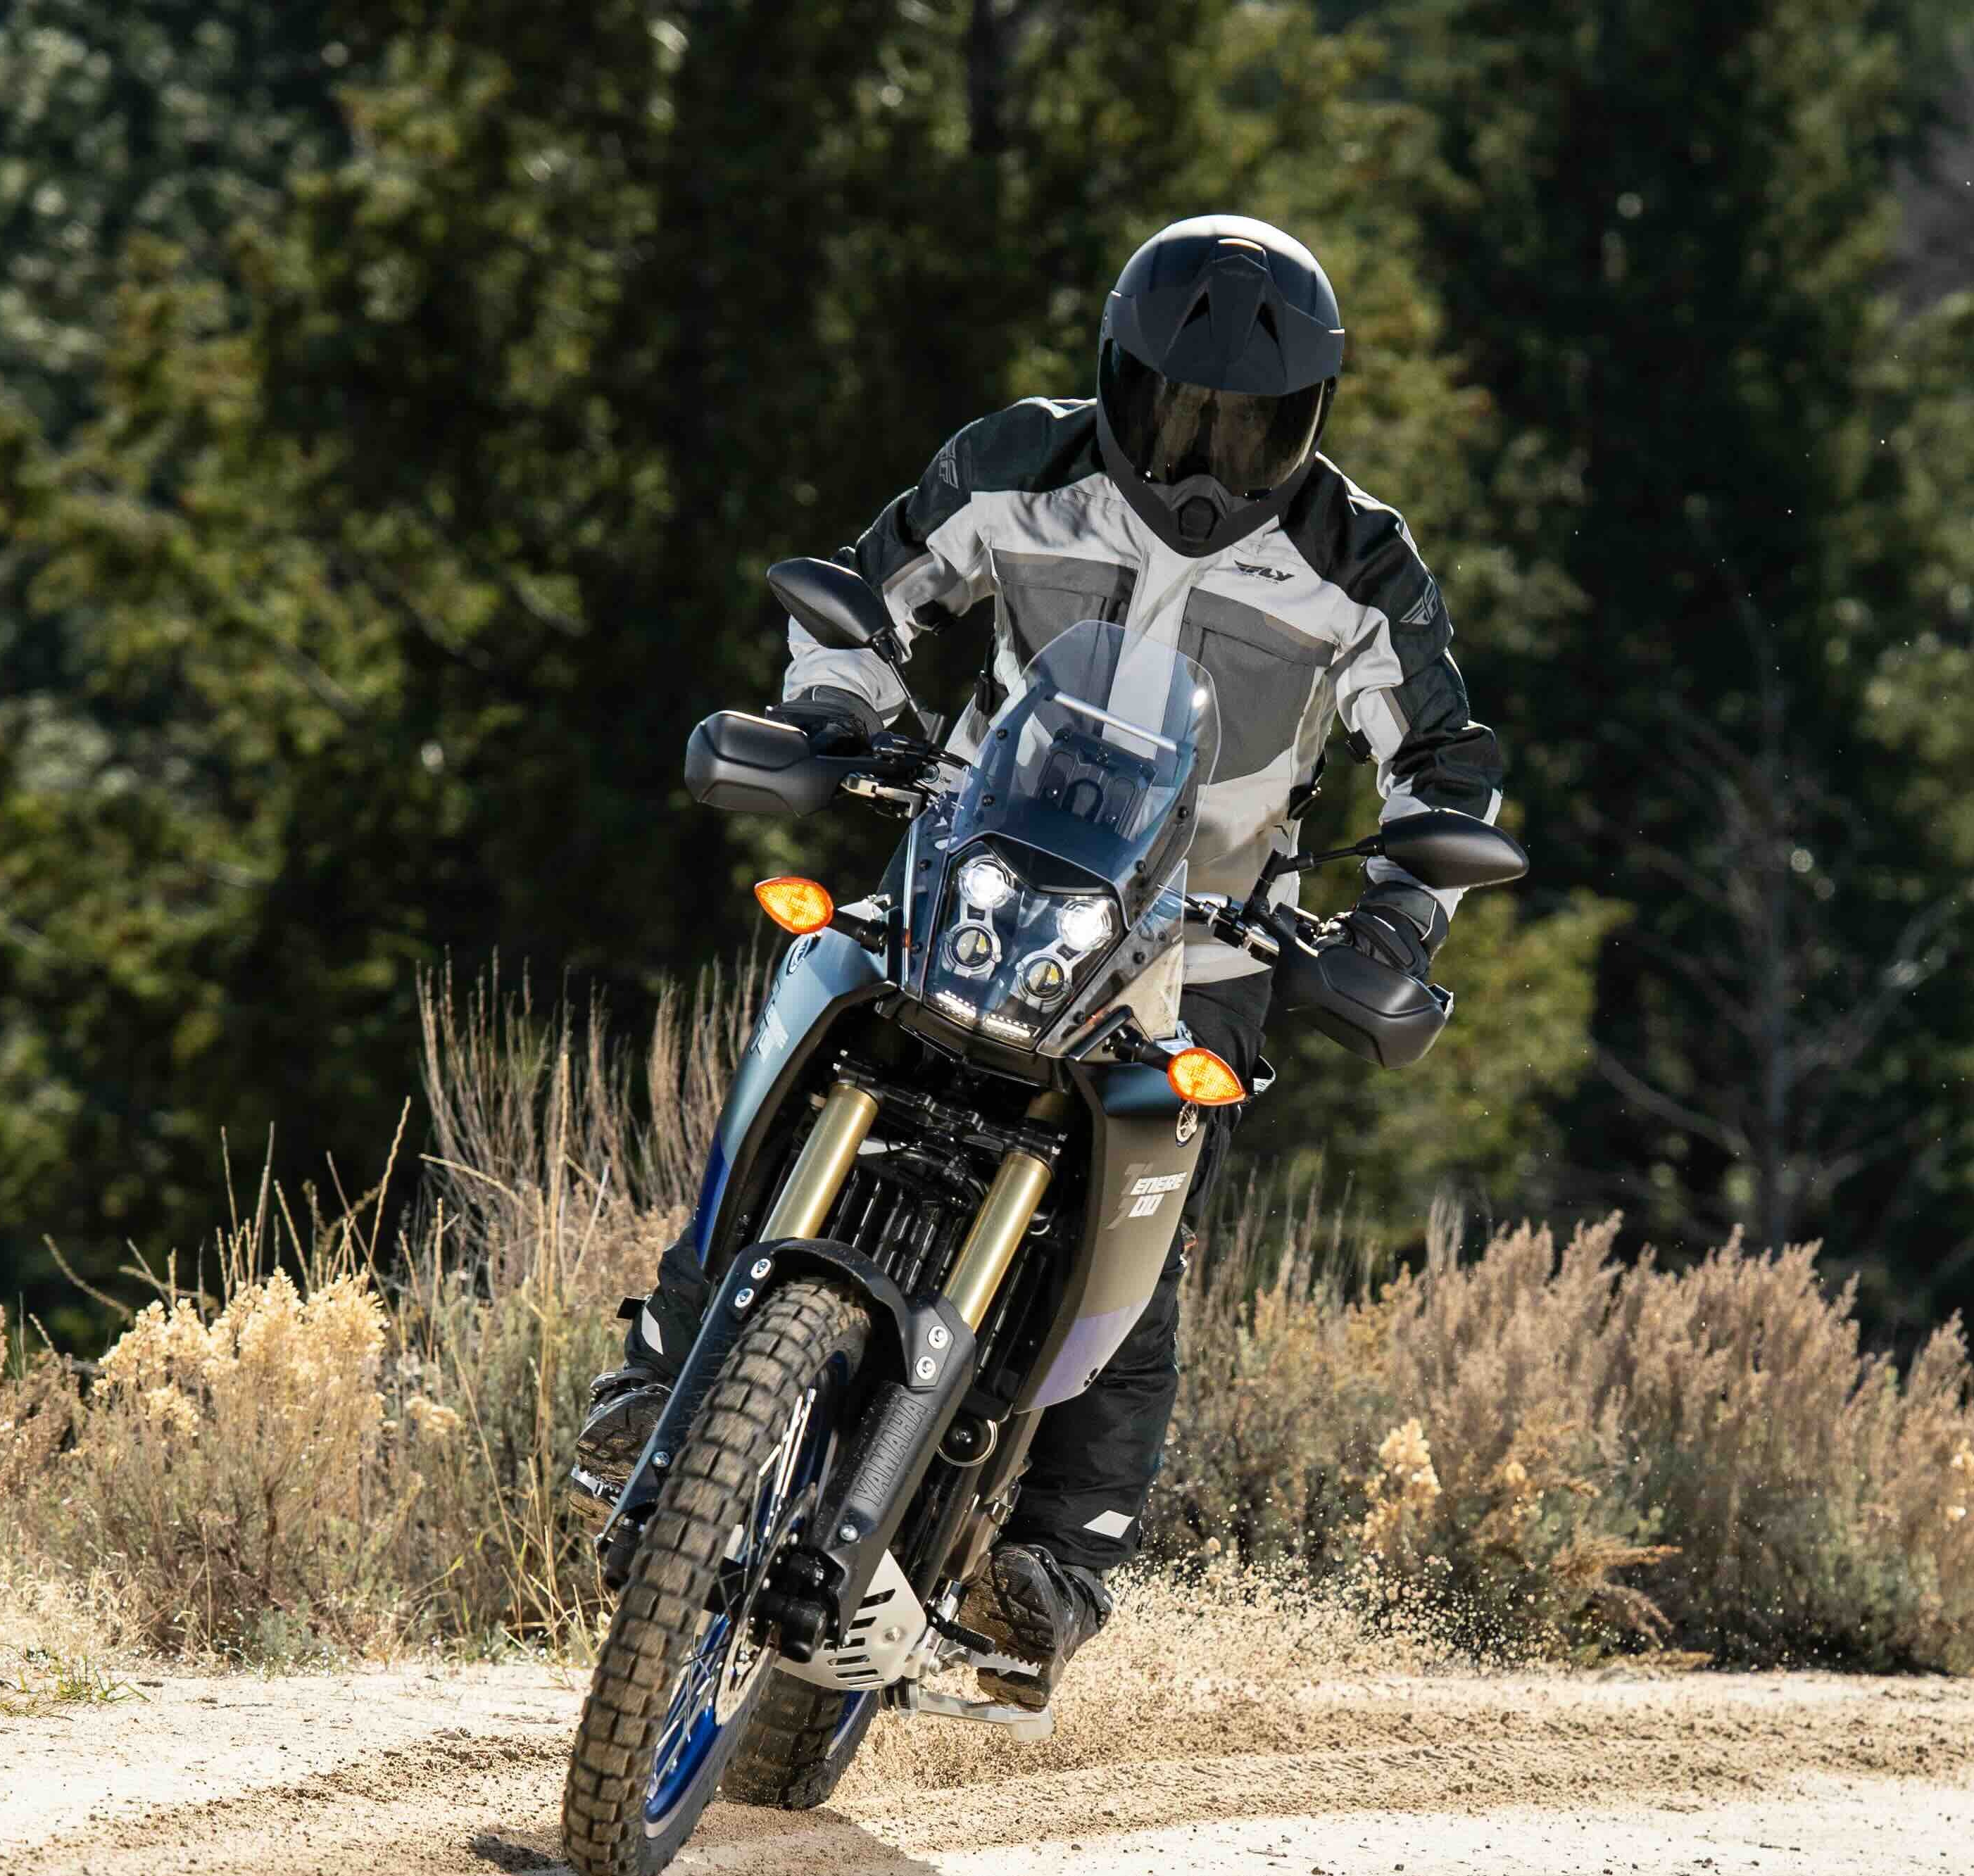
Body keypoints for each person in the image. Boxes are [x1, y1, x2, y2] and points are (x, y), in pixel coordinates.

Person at [576, 213, 1504, 1707]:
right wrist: (835, 716)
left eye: (1248, 422)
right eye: (1176, 407)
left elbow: (1450, 773)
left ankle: (1055, 1565)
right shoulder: (1018, 464)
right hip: (978, 866)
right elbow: (865, 600)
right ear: (1116, 378)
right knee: (811, 1028)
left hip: (1197, 947)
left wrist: (1396, 922)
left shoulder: (1361, 564)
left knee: (1143, 1224)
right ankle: (665, 1364)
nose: (1204, 449)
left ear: (1311, 417)